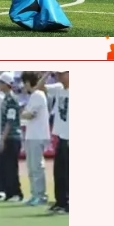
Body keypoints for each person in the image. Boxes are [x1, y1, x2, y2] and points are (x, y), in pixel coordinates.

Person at [37, 71, 69, 214]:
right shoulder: (59, 89)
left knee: (68, 173)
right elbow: (39, 87)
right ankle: (60, 201)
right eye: (57, 74)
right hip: (62, 135)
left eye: (62, 74)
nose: (59, 77)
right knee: (59, 171)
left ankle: (68, 203)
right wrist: (47, 73)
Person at [20, 71, 50, 206]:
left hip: (38, 135)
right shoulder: (33, 96)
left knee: (37, 166)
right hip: (31, 134)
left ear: (27, 82)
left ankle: (41, 195)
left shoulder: (38, 95)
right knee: (31, 166)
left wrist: (22, 113)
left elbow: (30, 114)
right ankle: (34, 194)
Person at [0, 72, 24, 201]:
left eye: (0, 83)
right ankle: (9, 192)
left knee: (11, 166)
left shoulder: (11, 99)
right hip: (8, 136)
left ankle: (16, 193)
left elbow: (10, 120)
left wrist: (2, 139)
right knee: (5, 166)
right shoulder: (6, 98)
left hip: (12, 137)